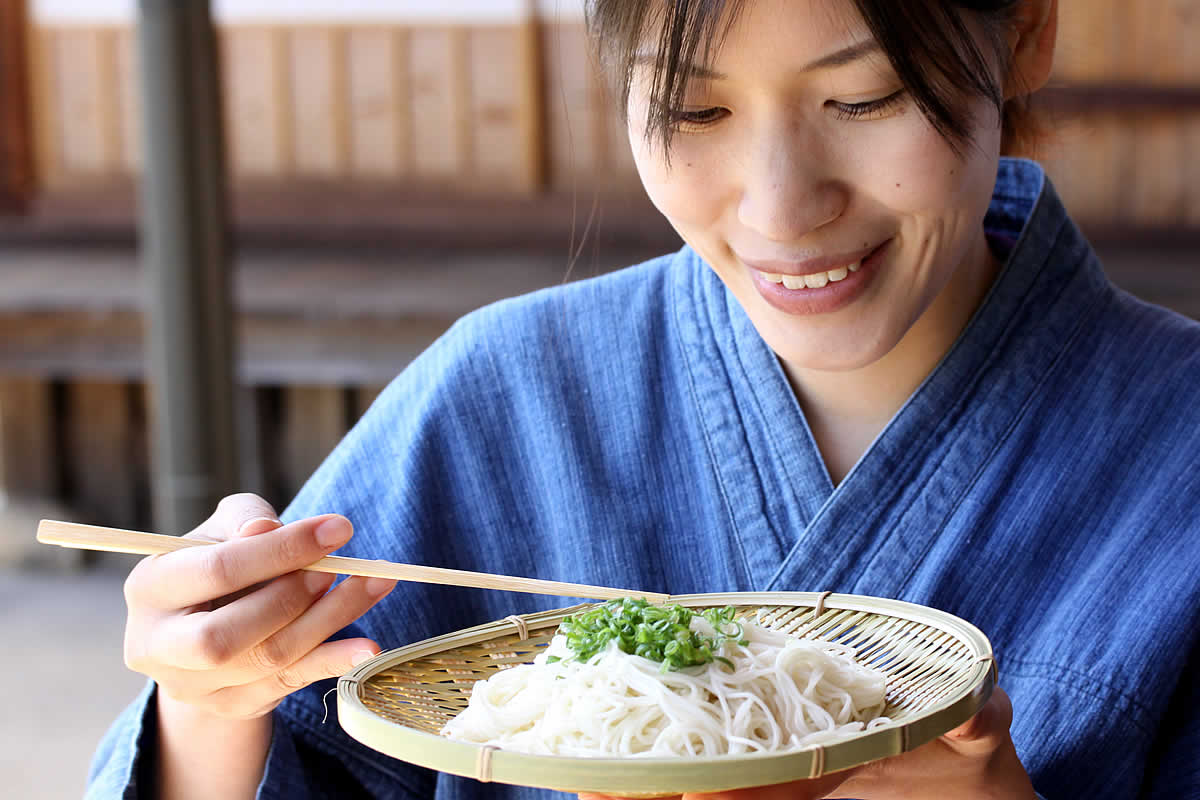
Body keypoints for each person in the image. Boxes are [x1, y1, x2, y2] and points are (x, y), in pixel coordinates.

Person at [88, 0, 1200, 797]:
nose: (781, 208)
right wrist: (207, 707)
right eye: (694, 110)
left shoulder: (1178, 444)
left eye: (866, 96)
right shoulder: (499, 395)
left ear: (1026, 31)